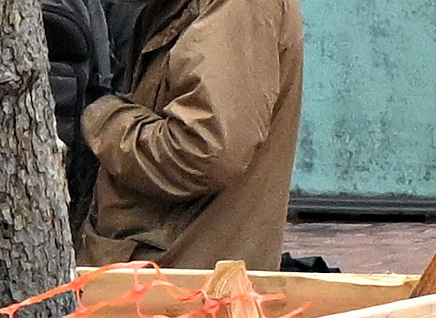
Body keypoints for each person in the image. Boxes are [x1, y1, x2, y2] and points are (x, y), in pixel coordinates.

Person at [77, 0, 304, 270]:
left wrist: (102, 117)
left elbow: (205, 150)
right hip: (158, 278)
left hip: (176, 286)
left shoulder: (236, 8)